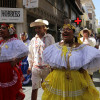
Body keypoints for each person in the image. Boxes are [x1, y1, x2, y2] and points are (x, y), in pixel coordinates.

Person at [41, 24, 100, 100]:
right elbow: (51, 64)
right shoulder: (54, 48)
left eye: (68, 29)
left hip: (76, 81)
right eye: (63, 30)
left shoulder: (81, 48)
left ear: (74, 33)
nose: (65, 31)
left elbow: (96, 56)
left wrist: (84, 67)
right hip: (58, 81)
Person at [27, 19, 55, 100]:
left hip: (47, 68)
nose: (37, 30)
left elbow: (53, 52)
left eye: (39, 28)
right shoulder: (33, 40)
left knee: (47, 89)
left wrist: (53, 66)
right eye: (36, 28)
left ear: (44, 28)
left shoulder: (49, 38)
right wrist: (30, 66)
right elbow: (30, 54)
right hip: (35, 69)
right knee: (34, 89)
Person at [0, 23, 28, 100]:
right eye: (0, 28)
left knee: (10, 91)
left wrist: (15, 61)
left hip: (8, 70)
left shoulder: (14, 41)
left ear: (10, 31)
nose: (0, 30)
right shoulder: (1, 42)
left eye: (3, 28)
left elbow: (25, 51)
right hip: (1, 71)